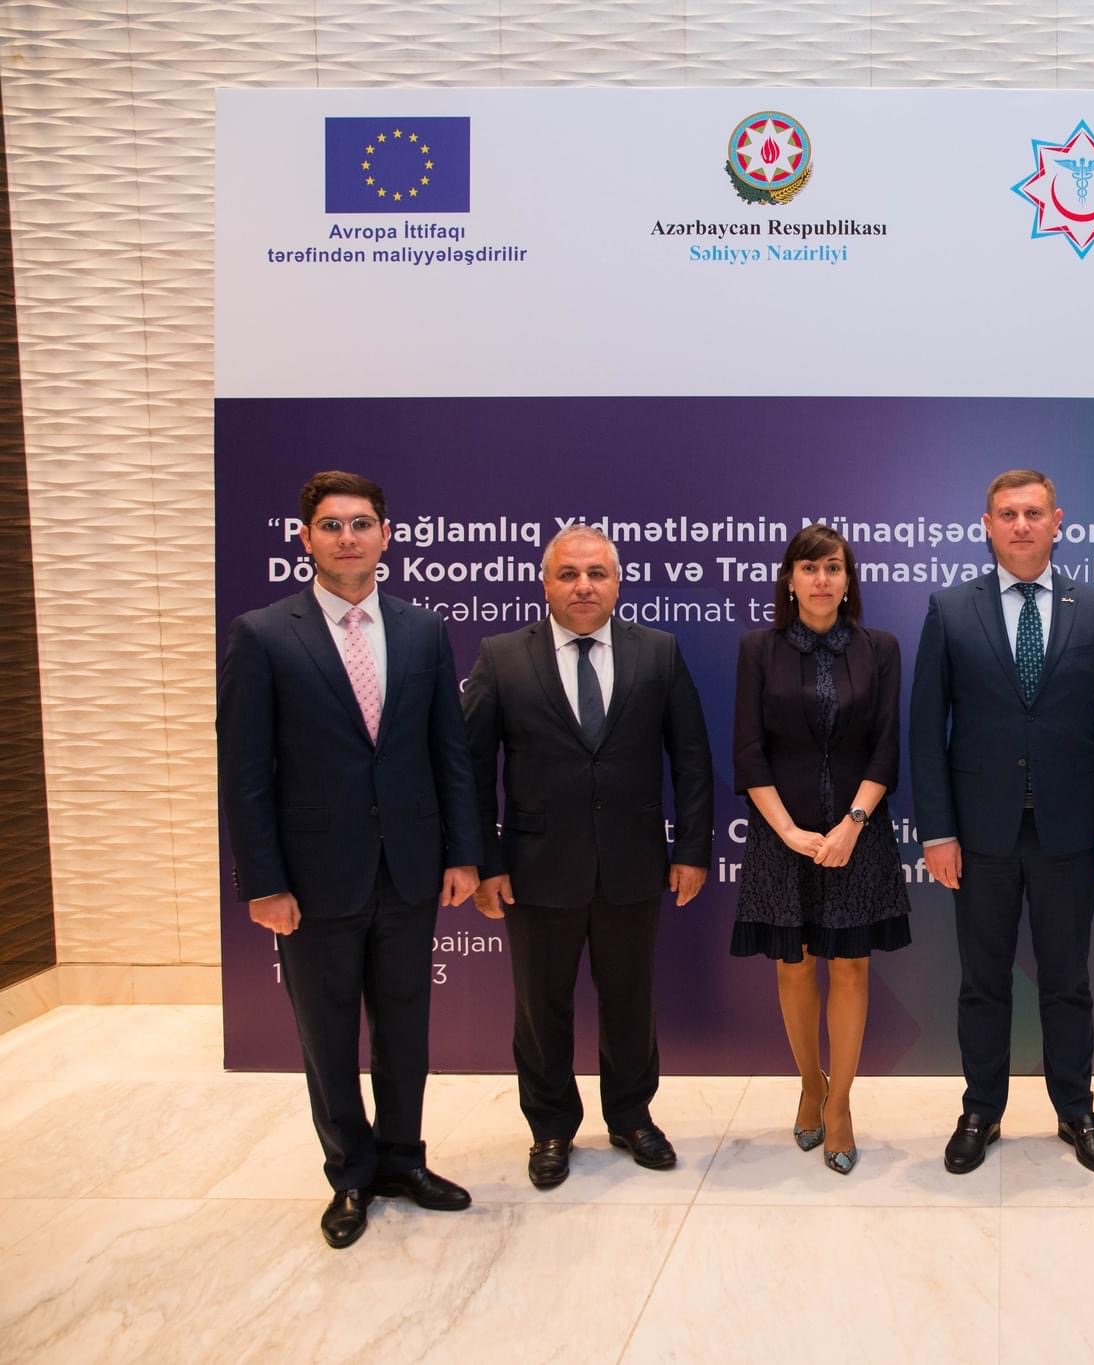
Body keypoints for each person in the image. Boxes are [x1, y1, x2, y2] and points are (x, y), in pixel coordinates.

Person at [218, 470, 481, 1248]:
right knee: (328, 1036)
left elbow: (449, 752)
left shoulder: (423, 629)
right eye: (331, 525)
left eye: (361, 523)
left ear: (385, 536)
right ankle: (351, 1174)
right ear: (305, 538)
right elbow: (245, 772)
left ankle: (403, 1160)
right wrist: (263, 880)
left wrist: (462, 852)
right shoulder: (264, 633)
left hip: (409, 867)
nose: (347, 537)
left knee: (405, 1027)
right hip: (311, 878)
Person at [462, 525, 713, 1190]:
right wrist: (484, 862)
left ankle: (631, 1116)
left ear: (617, 584)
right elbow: (471, 767)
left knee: (630, 999)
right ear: (545, 583)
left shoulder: (658, 652)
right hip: (535, 867)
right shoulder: (501, 656)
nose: (583, 586)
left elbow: (691, 757)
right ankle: (550, 1126)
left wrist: (691, 848)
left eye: (596, 573)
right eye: (568, 574)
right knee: (540, 1006)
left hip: (633, 863)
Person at [909, 469, 1094, 1176]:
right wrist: (938, 832)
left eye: (1033, 513)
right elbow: (926, 730)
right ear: (987, 525)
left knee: (1067, 980)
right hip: (980, 835)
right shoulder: (950, 609)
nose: (1020, 525)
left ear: (1056, 522)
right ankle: (981, 1109)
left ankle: (1076, 1109)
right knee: (983, 982)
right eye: (1007, 514)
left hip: (1070, 833)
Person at [730, 525, 913, 1175]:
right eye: (809, 568)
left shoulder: (879, 648)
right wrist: (788, 831)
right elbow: (748, 750)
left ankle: (839, 1104)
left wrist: (852, 824)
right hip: (782, 835)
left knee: (852, 968)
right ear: (790, 579)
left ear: (848, 579)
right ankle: (811, 1081)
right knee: (794, 964)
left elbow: (886, 746)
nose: (821, 579)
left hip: (857, 834)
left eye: (833, 567)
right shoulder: (759, 649)